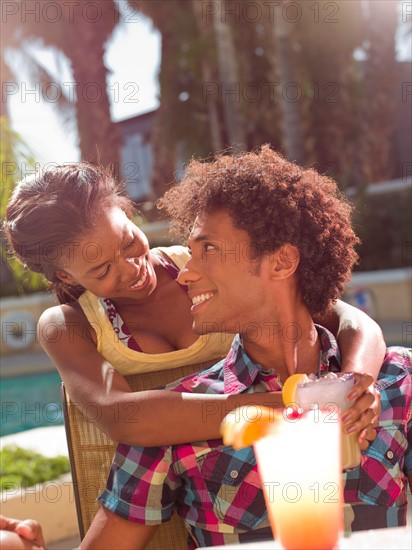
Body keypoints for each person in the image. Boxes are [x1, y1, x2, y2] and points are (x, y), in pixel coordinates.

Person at [81, 146, 411, 549]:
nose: (185, 273)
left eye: (209, 249)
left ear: (281, 262)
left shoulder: (396, 380)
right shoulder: (172, 420)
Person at [4, 163, 383, 447]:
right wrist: (300, 407)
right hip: (162, 480)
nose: (132, 268)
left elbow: (349, 320)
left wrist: (353, 388)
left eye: (128, 242)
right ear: (67, 277)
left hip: (270, 451)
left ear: (129, 214)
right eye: (102, 269)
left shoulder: (204, 267)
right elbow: (124, 416)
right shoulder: (71, 325)